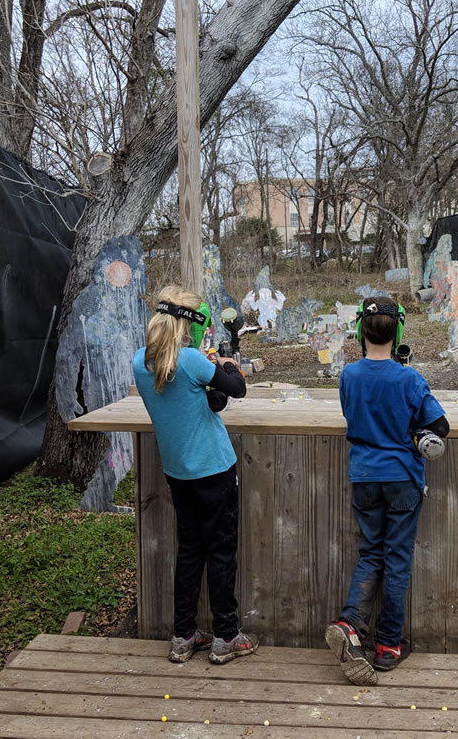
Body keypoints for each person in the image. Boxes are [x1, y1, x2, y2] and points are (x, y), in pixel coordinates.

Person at [325, 296, 450, 686]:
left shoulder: (349, 375)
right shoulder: (409, 379)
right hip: (401, 478)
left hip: (364, 476)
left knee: (371, 553)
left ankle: (350, 624)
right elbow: (440, 426)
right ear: (398, 332)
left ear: (360, 332)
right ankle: (388, 645)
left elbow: (353, 414)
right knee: (396, 559)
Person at [132, 285, 258, 664]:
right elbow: (237, 389)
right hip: (215, 469)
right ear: (188, 324)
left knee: (189, 552)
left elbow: (188, 397)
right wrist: (226, 363)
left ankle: (183, 636)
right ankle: (226, 636)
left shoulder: (141, 361)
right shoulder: (190, 360)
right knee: (221, 552)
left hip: (178, 472)